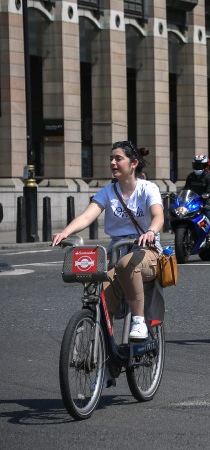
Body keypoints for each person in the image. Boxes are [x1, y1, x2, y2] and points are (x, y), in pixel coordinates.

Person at [52, 141, 164, 341]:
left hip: (146, 250)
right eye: (111, 158)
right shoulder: (108, 191)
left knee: (127, 265)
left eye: (118, 158)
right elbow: (87, 216)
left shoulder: (148, 188)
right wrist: (65, 232)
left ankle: (139, 321)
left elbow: (158, 216)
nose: (113, 162)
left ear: (133, 163)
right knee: (100, 291)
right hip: (117, 249)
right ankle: (105, 350)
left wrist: (150, 231)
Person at [185, 154, 210, 262]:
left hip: (206, 204)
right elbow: (185, 190)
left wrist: (208, 204)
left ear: (206, 165)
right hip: (192, 204)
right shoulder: (190, 177)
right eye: (196, 165)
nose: (198, 167)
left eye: (200, 165)